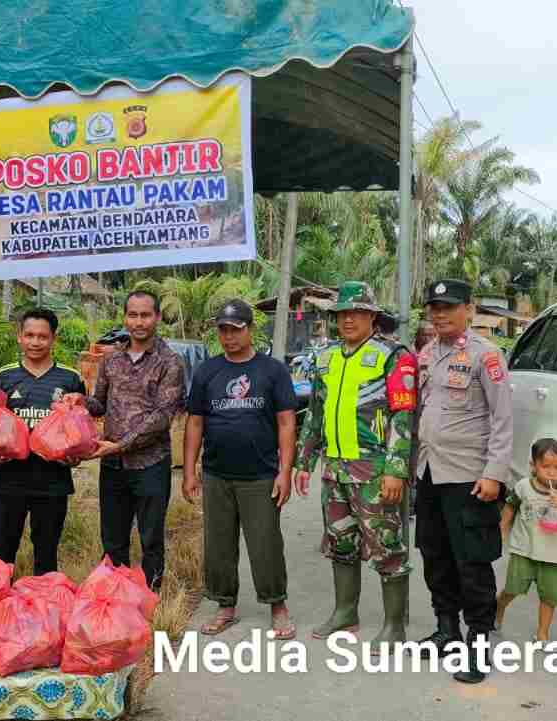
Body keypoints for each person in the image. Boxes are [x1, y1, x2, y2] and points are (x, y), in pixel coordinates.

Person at [295, 281, 416, 653]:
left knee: (387, 548)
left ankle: (394, 626)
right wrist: (305, 460)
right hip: (334, 470)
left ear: (372, 317)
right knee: (340, 543)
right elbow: (314, 412)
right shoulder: (326, 357)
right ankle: (345, 612)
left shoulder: (393, 355)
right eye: (342, 314)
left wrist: (396, 469)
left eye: (357, 313)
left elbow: (403, 415)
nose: (348, 319)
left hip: (375, 471)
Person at [413, 278, 512, 684]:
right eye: (435, 307)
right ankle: (447, 627)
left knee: (471, 560)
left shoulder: (486, 356)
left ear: (469, 309)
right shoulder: (426, 353)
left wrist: (494, 473)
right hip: (430, 470)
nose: (440, 314)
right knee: (434, 553)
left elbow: (503, 418)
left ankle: (478, 639)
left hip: (469, 475)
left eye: (449, 307)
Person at [183, 299, 299, 639]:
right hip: (217, 473)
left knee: (266, 544)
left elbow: (286, 422)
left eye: (236, 329)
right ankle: (225, 605)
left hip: (260, 474)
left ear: (250, 329)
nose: (229, 336)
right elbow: (194, 423)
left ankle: (277, 606)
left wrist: (285, 470)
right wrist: (190, 472)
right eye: (223, 330)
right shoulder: (208, 371)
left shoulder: (272, 370)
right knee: (218, 545)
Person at [85, 290, 186, 589]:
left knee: (151, 536)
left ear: (156, 317)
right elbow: (99, 404)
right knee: (113, 537)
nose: (138, 322)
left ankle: (150, 595)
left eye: (145, 315)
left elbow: (161, 418)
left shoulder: (170, 362)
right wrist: (79, 401)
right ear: (125, 317)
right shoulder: (112, 360)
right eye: (133, 315)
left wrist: (121, 444)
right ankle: (117, 598)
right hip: (113, 465)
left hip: (150, 464)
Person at [0, 308, 88, 575]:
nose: (35, 342)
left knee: (46, 552)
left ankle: (44, 607)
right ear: (19, 337)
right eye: (29, 335)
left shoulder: (71, 379)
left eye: (42, 336)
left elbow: (79, 427)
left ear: (53, 338)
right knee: (2, 554)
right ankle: (1, 606)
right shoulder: (2, 377)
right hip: (9, 481)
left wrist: (77, 454)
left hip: (53, 482)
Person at [495, 438, 557, 641]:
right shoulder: (523, 486)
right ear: (533, 466)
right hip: (523, 549)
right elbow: (510, 507)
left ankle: (542, 634)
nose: (552, 472)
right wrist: (502, 530)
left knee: (549, 597)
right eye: (546, 466)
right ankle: (498, 607)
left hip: (552, 554)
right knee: (512, 589)